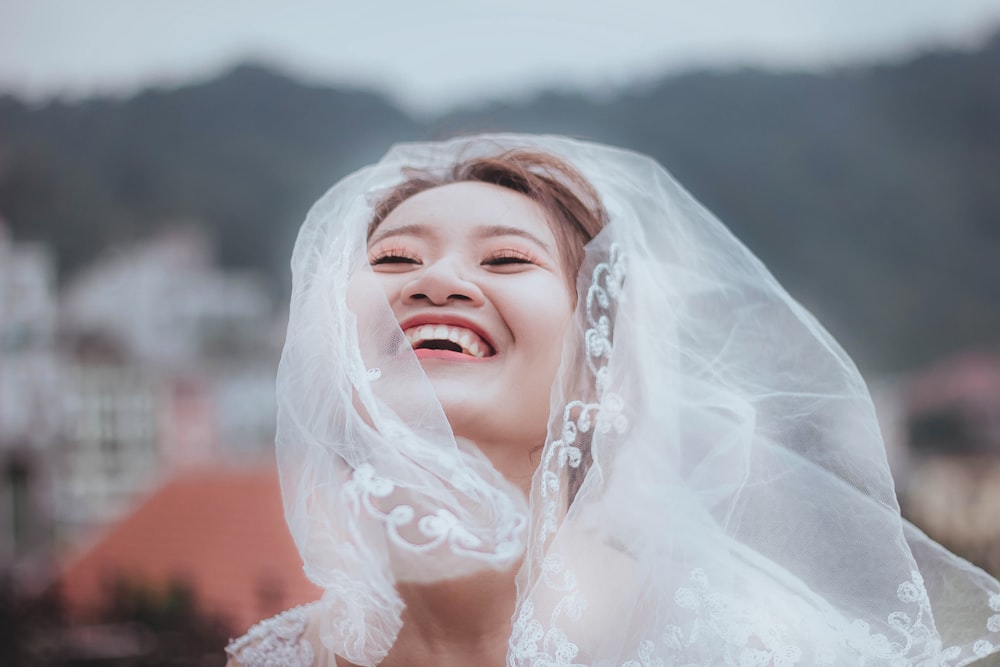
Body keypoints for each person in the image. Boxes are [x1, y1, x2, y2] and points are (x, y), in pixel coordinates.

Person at [226, 134, 1000, 666]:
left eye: (505, 257)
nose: (437, 281)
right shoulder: (270, 656)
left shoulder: (746, 645)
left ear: (600, 367)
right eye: (393, 257)